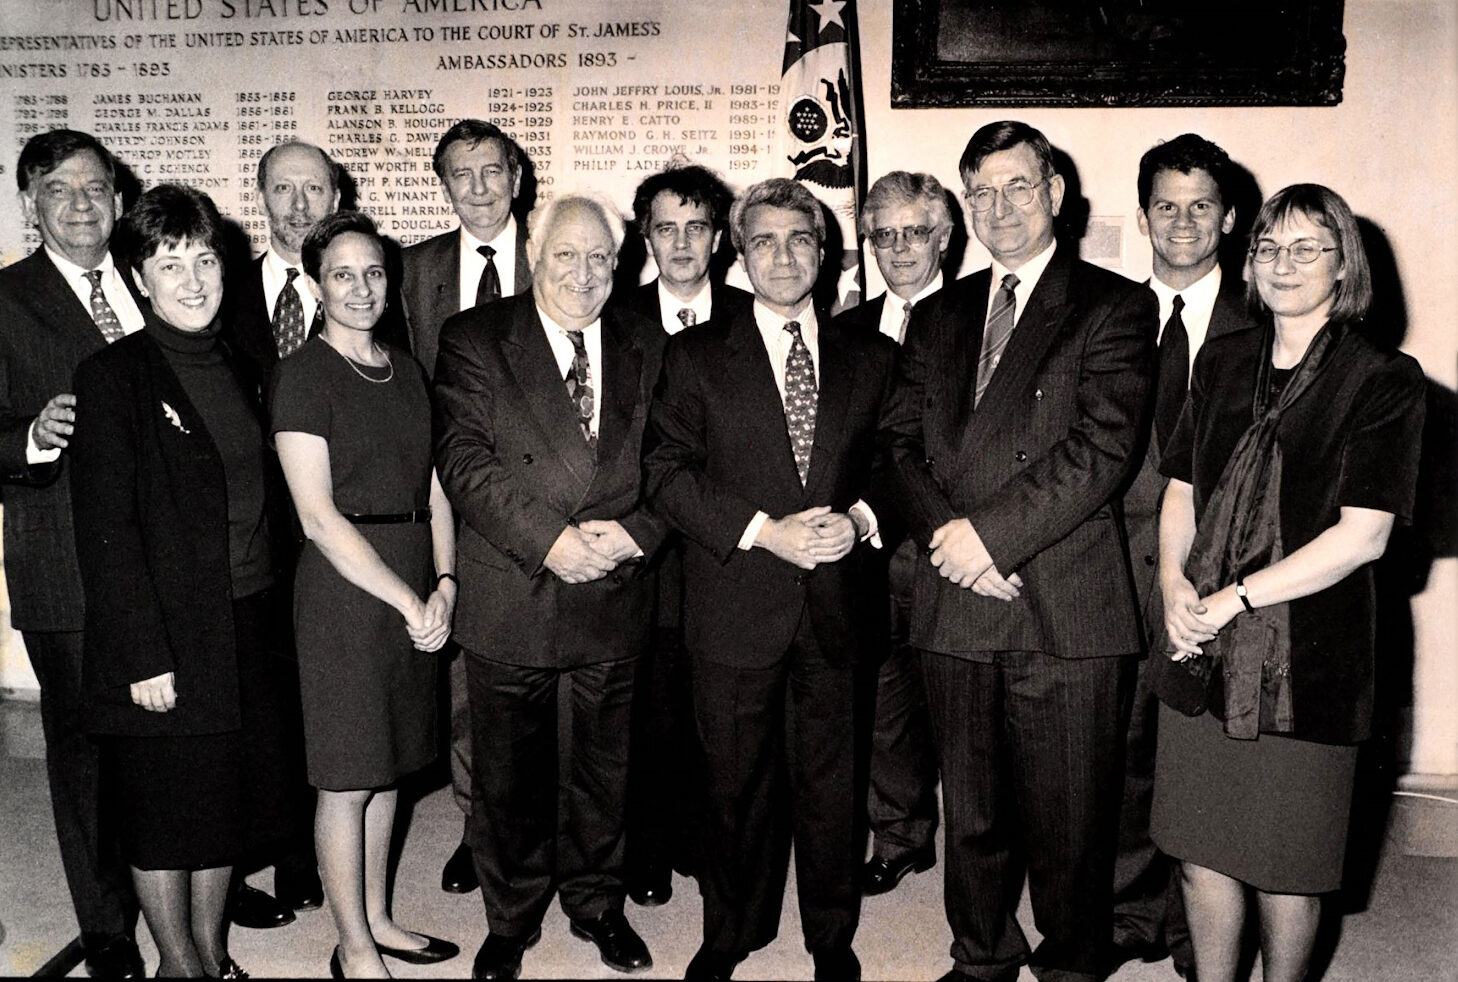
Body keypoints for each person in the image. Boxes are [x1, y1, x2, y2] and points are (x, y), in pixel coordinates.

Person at [881, 120, 1155, 982]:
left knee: (1071, 815)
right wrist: (949, 541)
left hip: (1063, 597)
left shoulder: (1113, 304)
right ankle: (982, 956)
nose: (1000, 207)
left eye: (1018, 187)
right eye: (982, 192)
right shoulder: (938, 312)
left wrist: (990, 538)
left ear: (1056, 195)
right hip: (955, 591)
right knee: (971, 808)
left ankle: (1073, 964)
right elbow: (897, 446)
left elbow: (1101, 450)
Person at [1151, 184, 1425, 982]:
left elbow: (1363, 536)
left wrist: (1234, 600)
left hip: (1309, 658)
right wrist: (1173, 584)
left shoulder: (1382, 379)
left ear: (1345, 267)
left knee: (1285, 870)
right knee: (1202, 859)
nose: (1282, 263)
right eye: (1269, 247)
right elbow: (1181, 489)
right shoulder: (1225, 358)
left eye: (1308, 248)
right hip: (1196, 639)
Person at [644, 177, 897, 982]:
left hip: (835, 608)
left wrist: (858, 519)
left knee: (833, 785)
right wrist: (762, 533)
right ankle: (733, 930)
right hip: (734, 604)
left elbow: (901, 464)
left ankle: (831, 936)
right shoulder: (693, 354)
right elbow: (666, 472)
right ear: (739, 254)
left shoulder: (873, 354)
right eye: (764, 241)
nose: (783, 256)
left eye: (800, 240)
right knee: (733, 785)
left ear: (825, 255)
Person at [433, 191, 666, 981]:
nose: (584, 273)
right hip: (515, 588)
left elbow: (678, 465)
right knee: (508, 779)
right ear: (535, 254)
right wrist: (552, 542)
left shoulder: (647, 339)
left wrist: (637, 534)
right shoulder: (475, 337)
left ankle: (598, 905)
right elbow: (464, 462)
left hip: (614, 589)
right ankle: (511, 917)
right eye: (566, 255)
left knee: (606, 770)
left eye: (601, 257)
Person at [69, 183, 298, 979]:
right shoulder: (112, 376)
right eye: (170, 263)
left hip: (242, 620)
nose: (192, 279)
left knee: (218, 811)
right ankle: (179, 964)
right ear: (138, 277)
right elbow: (106, 536)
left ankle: (207, 951)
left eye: (204, 259)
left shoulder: (239, 362)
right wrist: (142, 657)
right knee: (165, 817)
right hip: (162, 634)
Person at [270, 211, 459, 979]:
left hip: (414, 575)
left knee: (392, 767)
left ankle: (379, 917)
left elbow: (437, 487)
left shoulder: (406, 368)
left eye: (374, 272)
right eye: (342, 274)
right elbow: (317, 517)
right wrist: (408, 602)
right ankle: (351, 947)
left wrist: (444, 582)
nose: (360, 288)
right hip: (348, 594)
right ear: (317, 282)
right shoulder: (303, 373)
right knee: (348, 777)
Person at [1110, 134, 1260, 978]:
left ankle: (1203, 933)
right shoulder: (1109, 315)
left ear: (1229, 217)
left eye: (1201, 204)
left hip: (1235, 573)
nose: (1183, 221)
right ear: (1143, 216)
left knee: (1209, 756)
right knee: (1130, 746)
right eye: (1165, 205)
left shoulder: (1266, 317)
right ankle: (1137, 915)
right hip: (1122, 565)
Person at [0, 128, 145, 978]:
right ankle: (107, 928)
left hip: (162, 563)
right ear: (31, 206)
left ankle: (188, 881)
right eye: (60, 189)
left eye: (96, 187)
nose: (82, 204)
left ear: (120, 200)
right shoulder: (6, 299)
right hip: (66, 564)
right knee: (87, 754)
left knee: (173, 741)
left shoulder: (154, 279)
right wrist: (29, 434)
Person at [400, 119, 532, 898]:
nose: (479, 188)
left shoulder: (561, 249)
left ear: (515, 175)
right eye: (461, 174)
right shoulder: (414, 271)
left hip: (552, 496)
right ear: (443, 185)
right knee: (466, 680)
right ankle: (480, 824)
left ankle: (549, 825)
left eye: (491, 170)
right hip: (455, 496)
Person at [617, 162, 753, 908]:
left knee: (717, 710)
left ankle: (706, 841)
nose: (680, 242)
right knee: (648, 707)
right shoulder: (614, 317)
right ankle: (646, 851)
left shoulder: (749, 314)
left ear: (719, 239)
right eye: (665, 228)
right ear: (645, 236)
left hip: (729, 546)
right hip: (646, 547)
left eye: (696, 227)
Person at [831, 170, 952, 898]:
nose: (900, 247)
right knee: (882, 705)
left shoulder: (979, 319)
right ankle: (902, 836)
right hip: (869, 552)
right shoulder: (842, 330)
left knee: (966, 710)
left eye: (915, 231)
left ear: (943, 237)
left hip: (947, 547)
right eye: (884, 234)